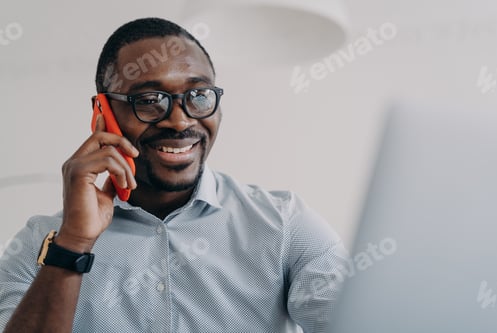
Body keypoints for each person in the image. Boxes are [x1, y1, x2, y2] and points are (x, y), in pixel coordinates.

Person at [0, 17, 348, 333]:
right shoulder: (38, 244)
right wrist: (73, 245)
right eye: (150, 99)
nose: (180, 121)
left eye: (198, 95)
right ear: (102, 113)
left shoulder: (285, 224)